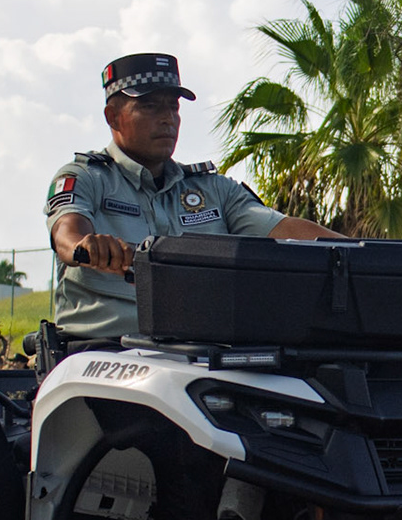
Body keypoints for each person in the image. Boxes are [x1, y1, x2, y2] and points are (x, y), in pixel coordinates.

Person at [47, 51, 342, 342]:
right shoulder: (87, 177)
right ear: (113, 117)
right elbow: (66, 231)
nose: (167, 119)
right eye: (149, 106)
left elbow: (287, 231)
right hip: (104, 356)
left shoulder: (214, 190)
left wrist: (364, 252)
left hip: (202, 356)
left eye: (173, 107)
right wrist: (85, 245)